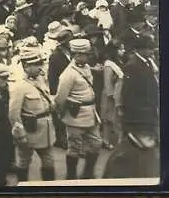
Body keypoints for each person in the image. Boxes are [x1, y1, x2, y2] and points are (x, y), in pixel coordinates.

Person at [102, 35, 159, 179]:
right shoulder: (133, 65)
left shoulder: (145, 63)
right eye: (148, 48)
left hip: (146, 111)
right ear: (140, 49)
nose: (151, 51)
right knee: (134, 144)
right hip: (138, 114)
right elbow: (129, 93)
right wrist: (130, 112)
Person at [54, 38, 102, 180]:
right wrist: (63, 115)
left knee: (96, 143)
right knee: (74, 148)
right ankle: (71, 176)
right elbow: (60, 98)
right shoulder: (68, 74)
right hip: (76, 115)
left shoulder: (86, 67)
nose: (89, 56)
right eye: (86, 54)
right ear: (77, 55)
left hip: (90, 113)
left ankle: (88, 173)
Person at [9, 48, 56, 182]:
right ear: (25, 66)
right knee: (24, 161)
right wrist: (20, 134)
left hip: (45, 129)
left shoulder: (41, 80)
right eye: (35, 64)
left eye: (39, 64)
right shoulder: (20, 86)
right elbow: (13, 114)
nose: (38, 67)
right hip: (29, 131)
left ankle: (49, 190)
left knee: (49, 161)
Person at [100, 40, 125, 150]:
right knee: (108, 119)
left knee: (116, 119)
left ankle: (117, 142)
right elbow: (107, 83)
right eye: (120, 49)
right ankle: (106, 141)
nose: (123, 51)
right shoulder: (109, 64)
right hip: (110, 96)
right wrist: (111, 97)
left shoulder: (118, 62)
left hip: (117, 93)